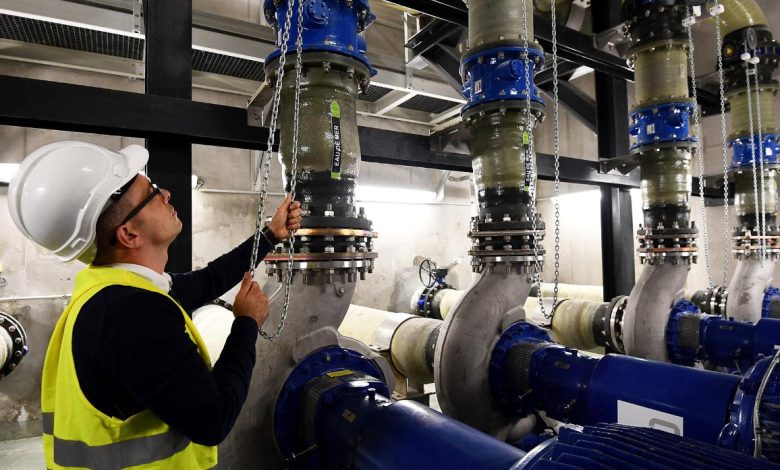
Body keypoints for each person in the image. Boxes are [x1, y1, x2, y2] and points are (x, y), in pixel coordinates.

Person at [7, 141, 302, 469]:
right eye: (152, 193)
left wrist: (271, 234)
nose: (166, 194)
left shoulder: (115, 292)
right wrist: (246, 324)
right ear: (129, 234)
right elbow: (213, 419)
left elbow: (209, 281)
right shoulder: (131, 314)